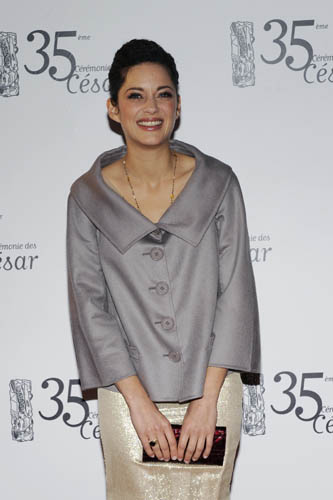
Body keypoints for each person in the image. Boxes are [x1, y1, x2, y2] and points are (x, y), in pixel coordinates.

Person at [66, 39, 261, 500]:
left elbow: (236, 292)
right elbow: (91, 305)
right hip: (128, 399)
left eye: (164, 93)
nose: (151, 107)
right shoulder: (86, 197)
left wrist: (206, 400)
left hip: (211, 392)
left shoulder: (219, 183)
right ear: (113, 108)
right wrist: (138, 403)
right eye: (135, 95)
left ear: (178, 105)